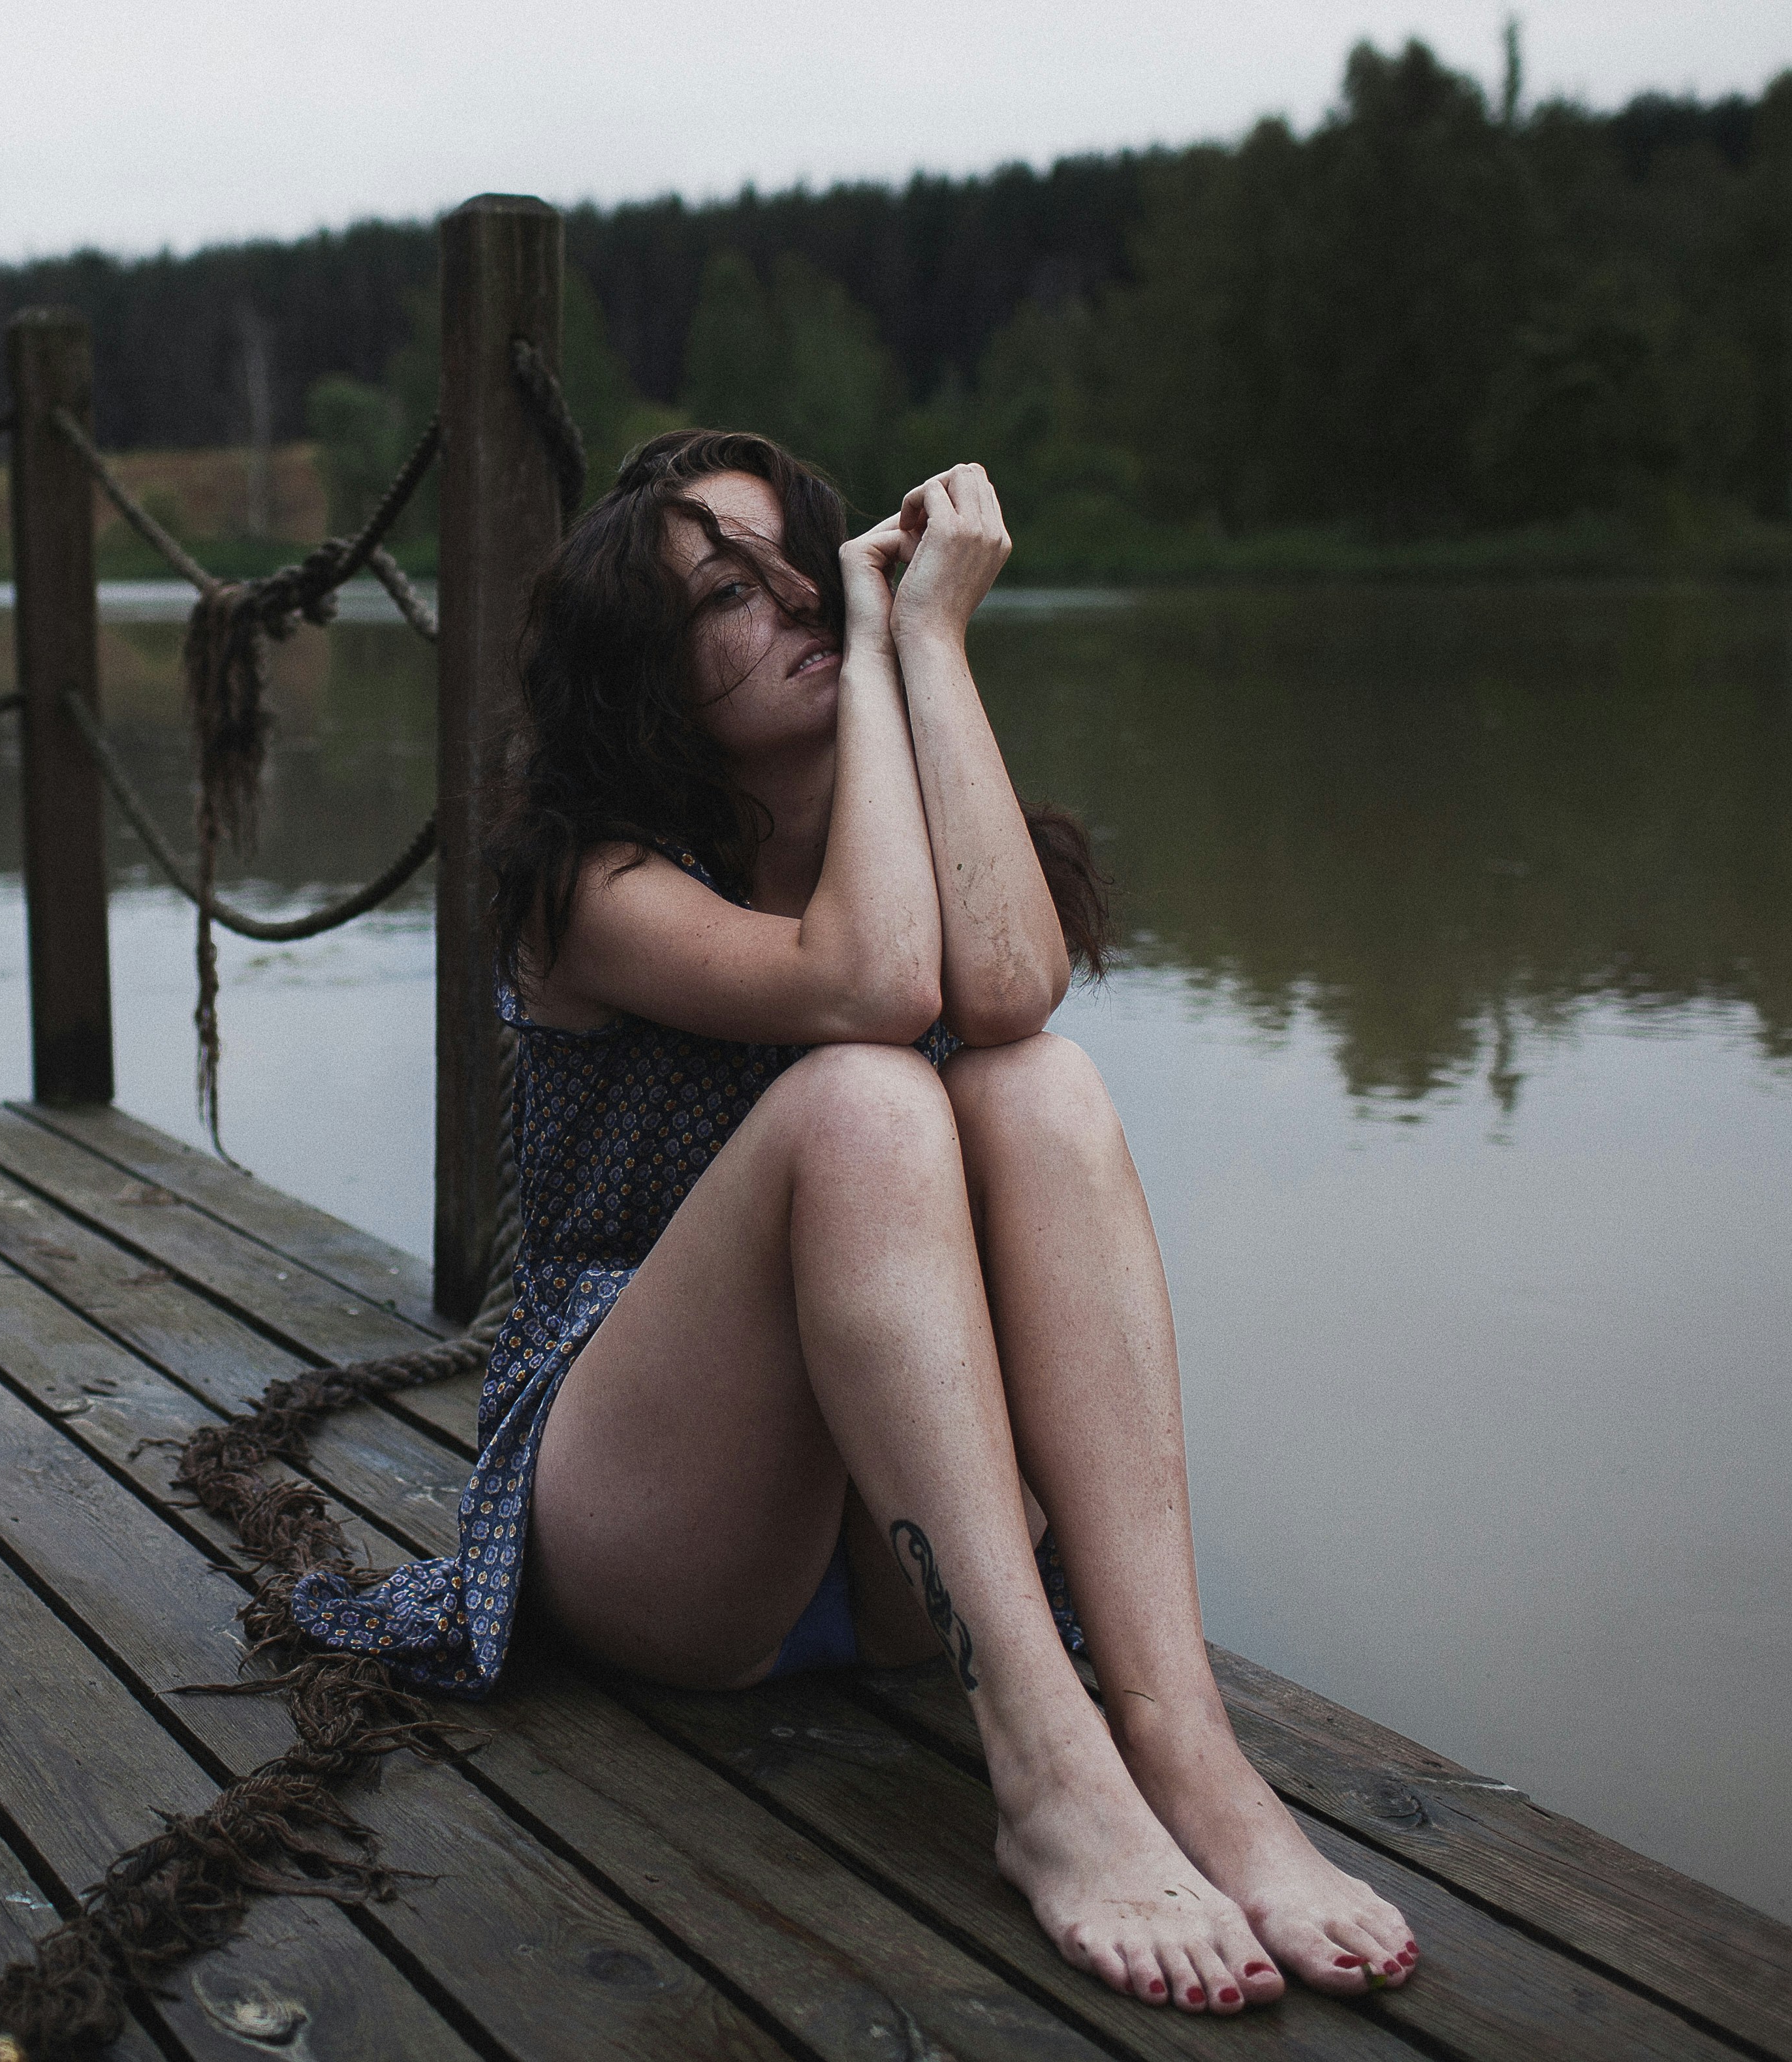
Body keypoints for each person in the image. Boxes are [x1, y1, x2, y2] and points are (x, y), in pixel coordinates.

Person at [292, 429, 1419, 2014]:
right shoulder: (595, 880)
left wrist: (926, 641)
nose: (795, 602)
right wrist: (886, 656)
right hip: (665, 1519)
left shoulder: (898, 784)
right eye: (723, 596)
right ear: (647, 677)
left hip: (911, 1533)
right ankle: (1050, 1772)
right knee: (866, 1098)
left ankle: (1182, 1737)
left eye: (798, 566)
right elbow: (872, 988)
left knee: (1040, 1086)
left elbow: (1008, 990)